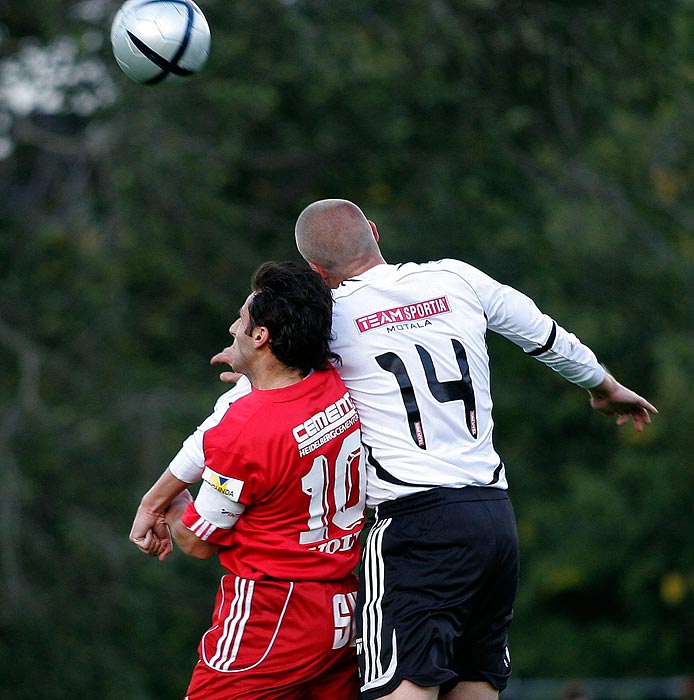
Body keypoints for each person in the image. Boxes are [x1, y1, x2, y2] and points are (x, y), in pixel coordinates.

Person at [293, 198, 657, 700]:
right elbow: (544, 334)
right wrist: (603, 385)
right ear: (373, 232)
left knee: (398, 688)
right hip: (492, 516)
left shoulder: (329, 317)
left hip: (413, 523)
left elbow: (268, 388)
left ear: (316, 269)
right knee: (476, 684)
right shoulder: (455, 277)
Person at [129, 261, 366, 700]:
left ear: (262, 337)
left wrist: (174, 501)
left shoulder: (245, 431)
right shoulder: (333, 381)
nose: (233, 326)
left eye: (241, 319)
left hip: (271, 619)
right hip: (342, 614)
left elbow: (196, 542)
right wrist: (251, 379)